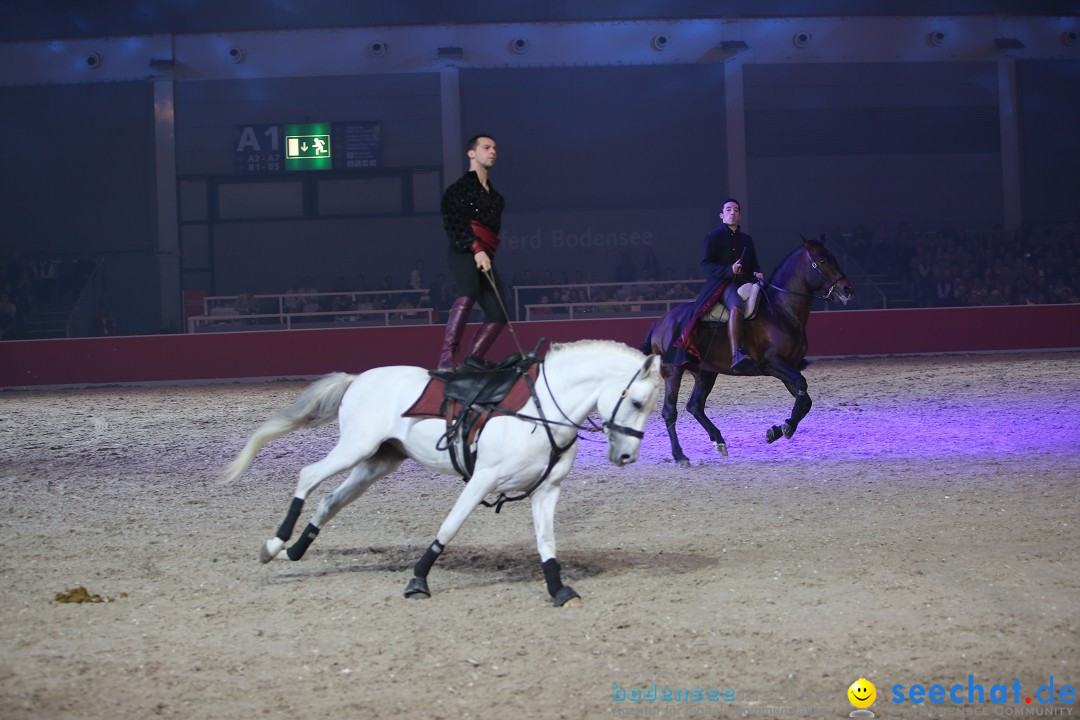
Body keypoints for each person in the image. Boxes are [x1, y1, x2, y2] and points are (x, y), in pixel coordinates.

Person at [436, 134, 508, 369]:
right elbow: (455, 225)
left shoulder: (497, 198)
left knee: (499, 312)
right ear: (471, 153)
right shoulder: (457, 190)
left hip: (485, 255)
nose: (492, 151)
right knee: (469, 289)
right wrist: (477, 249)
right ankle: (446, 357)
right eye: (486, 147)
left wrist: (484, 252)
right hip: (464, 250)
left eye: (495, 148)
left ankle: (472, 360)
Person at [674, 198, 764, 372]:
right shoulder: (713, 237)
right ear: (722, 215)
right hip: (724, 284)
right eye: (728, 209)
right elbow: (706, 264)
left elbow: (755, 264)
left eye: (736, 210)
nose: (732, 212)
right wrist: (729, 270)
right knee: (737, 306)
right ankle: (736, 354)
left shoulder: (747, 239)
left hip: (746, 282)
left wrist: (757, 272)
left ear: (739, 215)